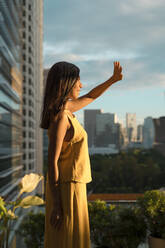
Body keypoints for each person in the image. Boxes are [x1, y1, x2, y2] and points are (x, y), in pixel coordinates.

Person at [40, 61, 123, 248]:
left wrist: (112, 80)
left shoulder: (67, 110)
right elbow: (52, 162)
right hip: (66, 189)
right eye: (78, 79)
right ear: (67, 82)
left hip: (75, 186)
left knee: (76, 239)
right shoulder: (61, 117)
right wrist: (57, 205)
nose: (81, 84)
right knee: (67, 240)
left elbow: (91, 96)